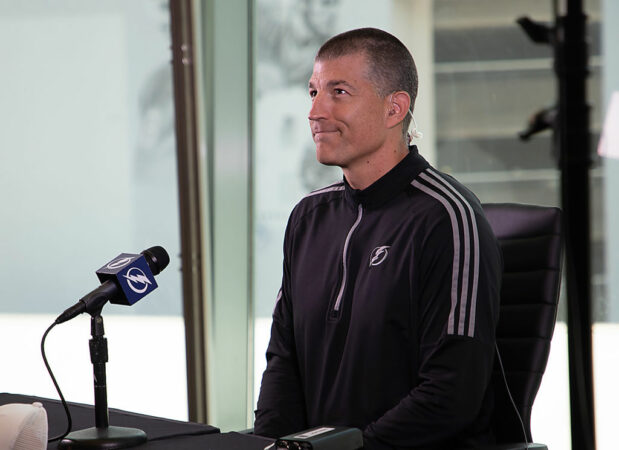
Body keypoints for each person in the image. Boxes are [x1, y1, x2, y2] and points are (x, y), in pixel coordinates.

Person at [254, 27, 502, 449]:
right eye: (313, 92)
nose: (315, 111)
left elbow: (451, 393)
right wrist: (268, 445)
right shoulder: (308, 218)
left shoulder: (447, 217)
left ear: (394, 109)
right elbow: (283, 362)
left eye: (338, 92)